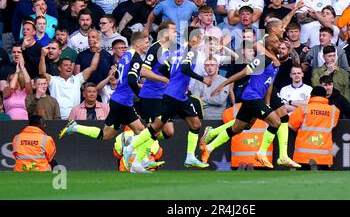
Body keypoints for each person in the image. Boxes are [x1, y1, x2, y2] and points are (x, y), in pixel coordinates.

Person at [58, 32, 167, 173]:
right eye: (146, 42)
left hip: (121, 101)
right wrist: (143, 95)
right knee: (136, 132)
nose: (147, 45)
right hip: (122, 103)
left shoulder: (125, 56)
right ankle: (140, 159)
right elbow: (132, 80)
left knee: (119, 134)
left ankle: (141, 161)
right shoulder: (135, 59)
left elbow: (118, 75)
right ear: (138, 43)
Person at [198, 34, 301, 169]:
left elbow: (269, 84)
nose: (279, 45)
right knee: (276, 122)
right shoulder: (263, 59)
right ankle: (261, 153)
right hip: (253, 98)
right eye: (276, 42)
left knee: (237, 128)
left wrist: (268, 102)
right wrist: (223, 84)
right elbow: (244, 73)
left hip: (253, 99)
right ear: (269, 46)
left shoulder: (275, 62)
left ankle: (209, 148)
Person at [122, 28, 214, 169]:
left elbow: (164, 69)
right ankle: (132, 146)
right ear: (194, 38)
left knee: (195, 124)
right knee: (156, 128)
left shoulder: (177, 51)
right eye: (200, 37)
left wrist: (174, 80)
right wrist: (203, 79)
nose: (202, 40)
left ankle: (190, 157)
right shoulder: (190, 51)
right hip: (173, 96)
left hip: (180, 95)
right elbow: (184, 69)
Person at [289, 86, 339, 170]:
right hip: (323, 157)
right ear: (325, 96)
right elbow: (333, 124)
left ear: (311, 95)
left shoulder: (303, 109)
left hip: (303, 156)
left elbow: (291, 125)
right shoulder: (334, 110)